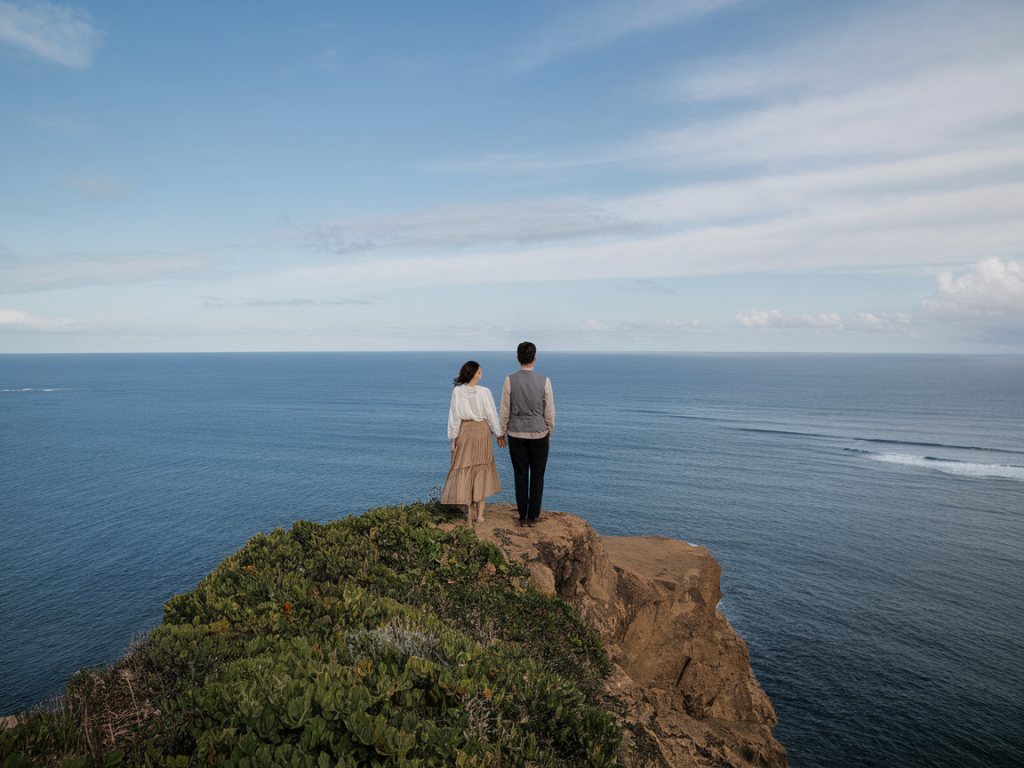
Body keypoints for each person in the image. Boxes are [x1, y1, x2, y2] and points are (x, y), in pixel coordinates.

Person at [441, 360, 504, 524]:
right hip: (482, 432)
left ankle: (468, 514)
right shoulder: (485, 392)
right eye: (479, 371)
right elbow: (491, 415)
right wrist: (499, 435)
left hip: (465, 432)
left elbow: (454, 418)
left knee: (464, 469)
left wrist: (453, 440)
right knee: (480, 470)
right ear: (474, 373)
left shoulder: (457, 392)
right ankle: (480, 515)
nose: (480, 373)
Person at [499, 342, 554, 528]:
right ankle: (534, 515)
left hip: (516, 433)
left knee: (520, 474)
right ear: (535, 358)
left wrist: (501, 432)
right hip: (539, 434)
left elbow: (505, 409)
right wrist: (548, 432)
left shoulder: (510, 379)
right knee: (538, 475)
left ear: (517, 358)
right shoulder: (544, 380)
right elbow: (549, 412)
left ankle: (522, 515)